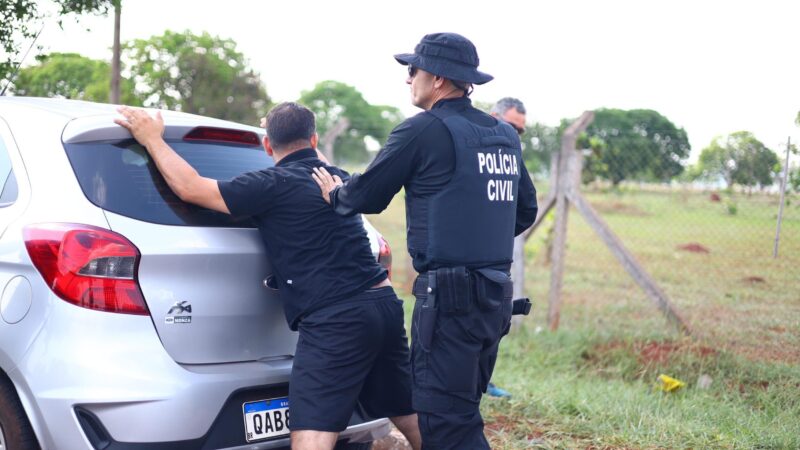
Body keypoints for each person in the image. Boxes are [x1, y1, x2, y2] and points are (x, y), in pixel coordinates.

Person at [114, 102, 421, 450]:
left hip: (337, 320)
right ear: (315, 139)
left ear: (267, 146)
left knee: (313, 432)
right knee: (408, 409)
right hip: (382, 306)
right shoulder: (337, 177)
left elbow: (190, 188)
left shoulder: (270, 184)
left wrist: (152, 139)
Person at [311, 33, 538, 450]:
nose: (407, 79)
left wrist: (334, 193)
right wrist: (474, 240)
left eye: (411, 70)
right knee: (462, 411)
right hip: (494, 298)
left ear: (435, 78)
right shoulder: (504, 136)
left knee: (443, 423)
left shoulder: (423, 130)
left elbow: (367, 195)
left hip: (450, 302)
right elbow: (524, 211)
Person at [483, 96, 529, 399]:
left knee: (493, 317)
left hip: (496, 252)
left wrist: (499, 235)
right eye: (511, 125)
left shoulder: (512, 153)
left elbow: (527, 206)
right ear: (493, 116)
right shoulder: (477, 149)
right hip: (464, 253)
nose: (515, 133)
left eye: (520, 130)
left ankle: (484, 381)